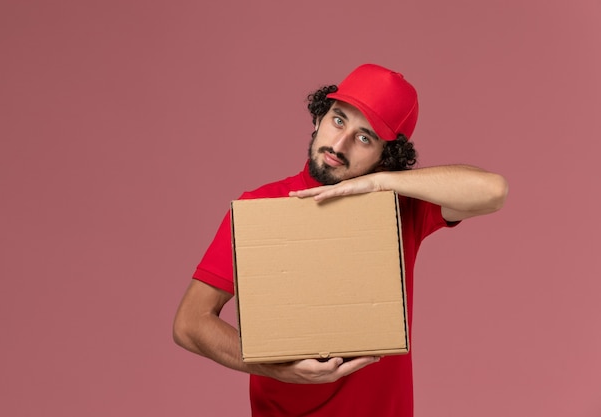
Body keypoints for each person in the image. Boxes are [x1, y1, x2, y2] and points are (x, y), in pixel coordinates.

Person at [173, 63, 508, 416]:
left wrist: (382, 183)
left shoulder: (399, 209)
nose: (340, 143)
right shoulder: (259, 206)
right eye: (338, 120)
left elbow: (493, 191)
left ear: (386, 156)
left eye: (365, 138)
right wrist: (274, 367)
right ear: (318, 118)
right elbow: (190, 322)